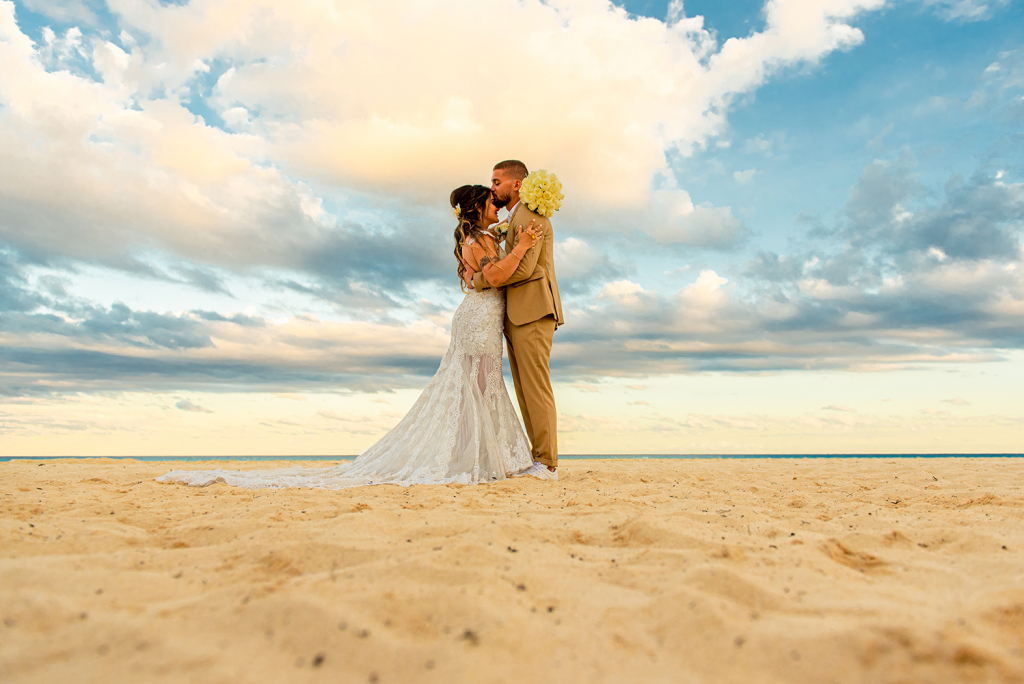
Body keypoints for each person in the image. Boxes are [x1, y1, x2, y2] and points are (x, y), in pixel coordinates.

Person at [157, 185, 551, 489]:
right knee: (477, 387)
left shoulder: (484, 236)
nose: (496, 205)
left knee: (481, 387)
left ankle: (476, 457)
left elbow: (482, 274)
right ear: (477, 207)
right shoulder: (479, 241)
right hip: (478, 319)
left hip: (483, 316)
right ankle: (472, 460)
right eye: (490, 201)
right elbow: (496, 276)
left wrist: (503, 242)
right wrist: (522, 246)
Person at [473, 160, 564, 479]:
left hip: (534, 310)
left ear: (516, 184)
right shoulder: (515, 217)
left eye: (497, 181)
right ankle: (540, 459)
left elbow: (524, 269)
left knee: (535, 387)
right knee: (525, 389)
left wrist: (481, 280)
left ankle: (548, 463)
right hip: (520, 311)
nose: (492, 187)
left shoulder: (530, 214)